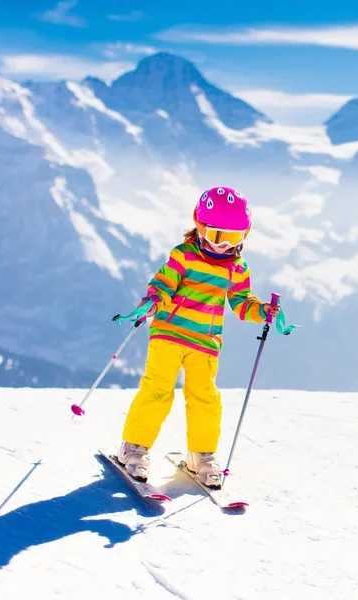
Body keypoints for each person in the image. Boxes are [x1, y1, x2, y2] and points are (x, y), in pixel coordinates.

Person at [117, 186, 280, 488]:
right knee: (158, 390)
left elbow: (241, 303)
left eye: (234, 238)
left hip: (205, 343)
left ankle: (201, 456)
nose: (223, 245)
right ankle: (134, 447)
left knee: (205, 398)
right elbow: (163, 285)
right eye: (218, 236)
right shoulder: (184, 256)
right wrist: (153, 300)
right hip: (168, 332)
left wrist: (263, 311)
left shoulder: (237, 268)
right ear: (201, 227)